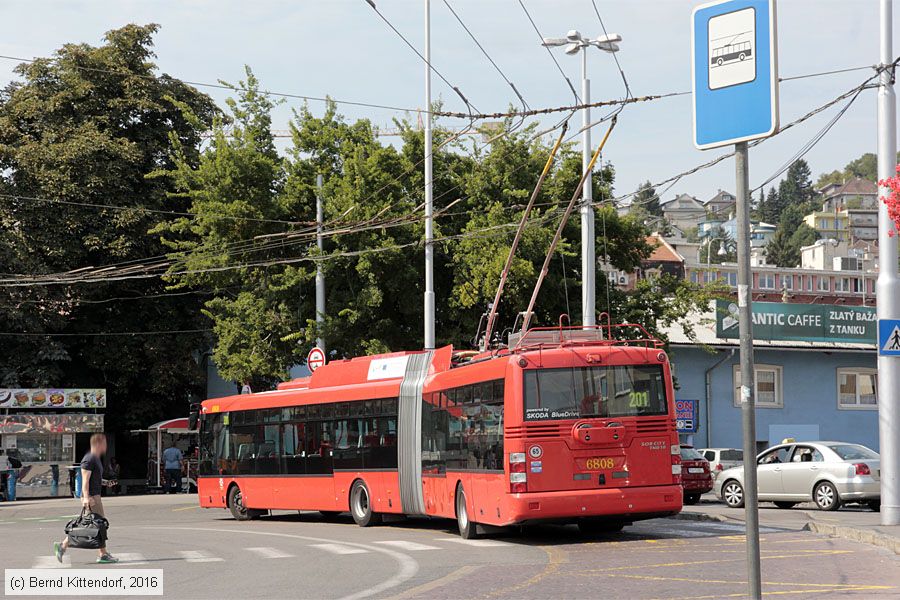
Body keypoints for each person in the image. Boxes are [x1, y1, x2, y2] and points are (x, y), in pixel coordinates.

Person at [54, 433, 118, 564]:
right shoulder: (89, 459)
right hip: (92, 497)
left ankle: (63, 546)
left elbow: (95, 479)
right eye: (104, 443)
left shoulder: (95, 458)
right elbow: (85, 480)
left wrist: (106, 483)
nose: (106, 446)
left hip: (94, 496)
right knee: (99, 525)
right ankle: (102, 554)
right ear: (98, 444)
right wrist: (86, 497)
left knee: (93, 525)